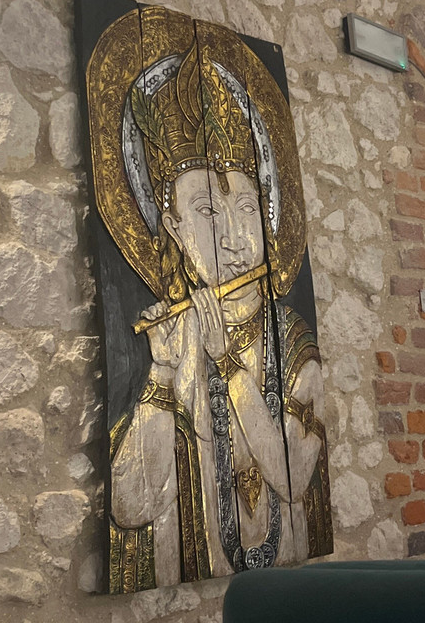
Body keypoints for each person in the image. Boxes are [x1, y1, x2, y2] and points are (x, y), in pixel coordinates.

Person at [106, 41, 331, 592]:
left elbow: (292, 480)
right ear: (175, 229)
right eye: (207, 210)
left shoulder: (293, 343)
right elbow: (130, 507)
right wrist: (162, 371)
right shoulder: (172, 338)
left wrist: (226, 362)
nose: (233, 238)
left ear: (267, 218)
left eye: (246, 209)